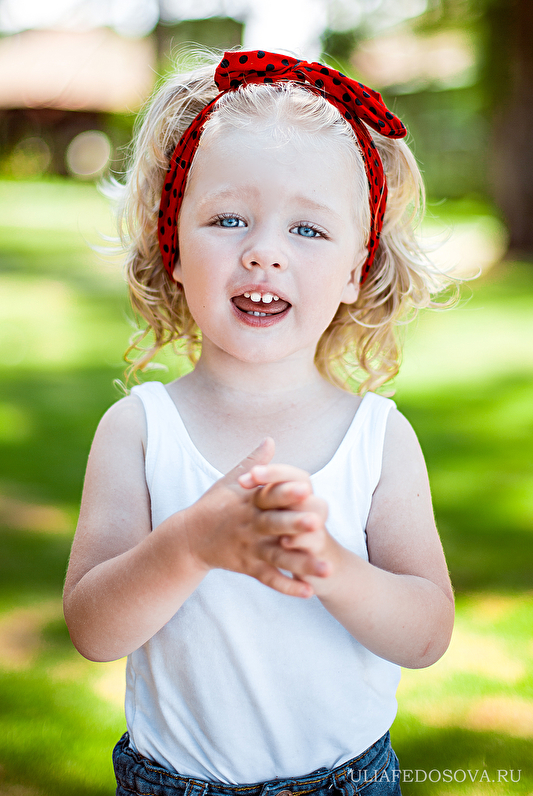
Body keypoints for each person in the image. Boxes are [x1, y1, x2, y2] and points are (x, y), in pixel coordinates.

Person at [63, 49, 455, 796]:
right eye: (229, 219)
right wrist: (189, 544)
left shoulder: (377, 440)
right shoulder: (138, 430)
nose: (263, 253)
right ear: (175, 247)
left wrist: (331, 565)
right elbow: (92, 629)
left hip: (349, 782)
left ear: (355, 269)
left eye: (307, 229)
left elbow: (427, 633)